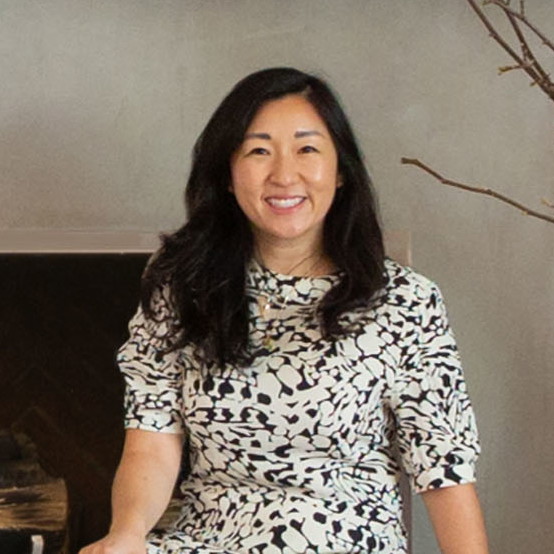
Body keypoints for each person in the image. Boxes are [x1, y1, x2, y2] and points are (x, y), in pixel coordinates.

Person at [80, 67, 488, 553]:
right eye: (258, 151)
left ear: (340, 173)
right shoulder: (182, 286)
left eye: (307, 148)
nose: (283, 174)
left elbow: (443, 470)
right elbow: (151, 439)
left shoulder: (405, 300)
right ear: (228, 175)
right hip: (207, 542)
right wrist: (127, 534)